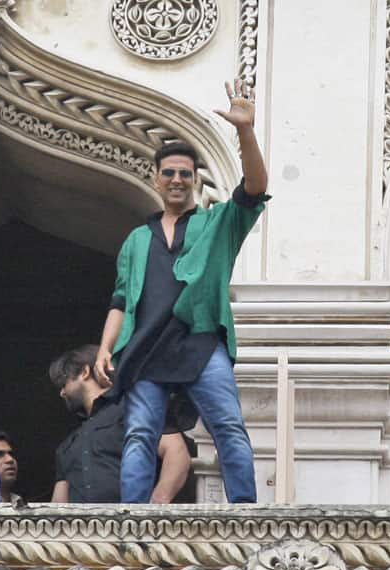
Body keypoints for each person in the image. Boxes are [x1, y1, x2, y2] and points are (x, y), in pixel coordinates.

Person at [93, 78, 268, 503]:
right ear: (156, 179)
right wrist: (104, 348)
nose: (176, 180)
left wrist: (245, 130)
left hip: (201, 341)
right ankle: (133, 520)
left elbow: (255, 189)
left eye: (184, 174)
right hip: (146, 346)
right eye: (169, 173)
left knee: (227, 424)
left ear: (195, 181)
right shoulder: (137, 238)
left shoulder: (217, 223)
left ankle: (246, 511)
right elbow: (121, 298)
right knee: (140, 433)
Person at [49, 344, 192, 503]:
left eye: (63, 383)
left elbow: (176, 452)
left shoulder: (134, 408)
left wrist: (156, 505)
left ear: (84, 372)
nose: (62, 393)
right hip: (81, 527)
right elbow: (59, 502)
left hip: (133, 523)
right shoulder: (67, 445)